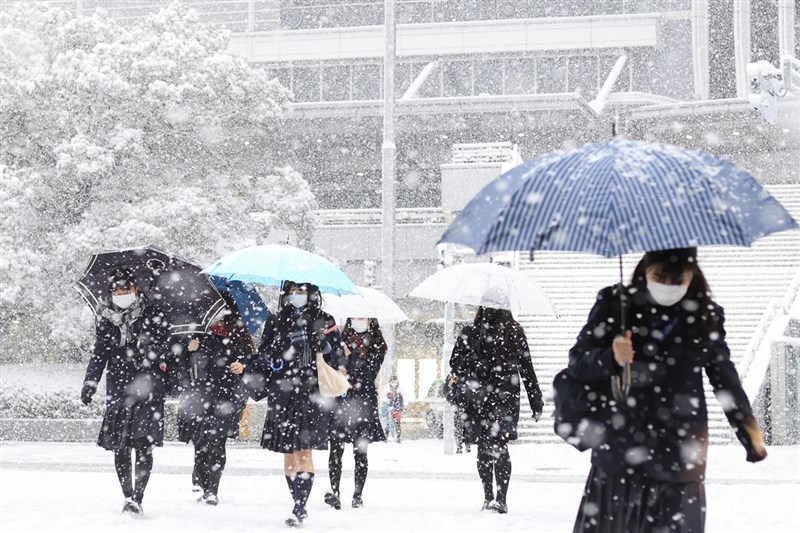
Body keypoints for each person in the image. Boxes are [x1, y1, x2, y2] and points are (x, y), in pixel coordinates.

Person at [567, 248, 767, 533]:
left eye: (678, 279)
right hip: (619, 451)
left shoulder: (706, 315)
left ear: (692, 274)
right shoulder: (615, 304)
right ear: (645, 268)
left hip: (680, 457)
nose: (669, 286)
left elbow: (725, 379)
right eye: (660, 276)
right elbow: (577, 363)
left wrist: (751, 435)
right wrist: (610, 356)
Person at [250, 280, 344, 528]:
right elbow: (264, 353)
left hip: (311, 393)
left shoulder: (325, 319)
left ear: (312, 293)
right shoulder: (276, 320)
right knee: (288, 454)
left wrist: (323, 346)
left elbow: (338, 356)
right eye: (292, 291)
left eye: (301, 291)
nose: (296, 295)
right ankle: (297, 502)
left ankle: (300, 507)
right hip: (283, 393)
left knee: (304, 449)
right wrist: (274, 357)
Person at [80, 268, 170, 515]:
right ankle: (127, 494)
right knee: (120, 445)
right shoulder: (106, 317)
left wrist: (148, 349)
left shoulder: (153, 312)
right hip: (119, 387)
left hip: (148, 387)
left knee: (143, 444)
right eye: (116, 290)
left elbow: (169, 347)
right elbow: (100, 352)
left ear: (136, 289)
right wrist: (90, 382)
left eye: (126, 290)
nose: (121, 294)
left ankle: (138, 498)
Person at [449, 305, 544, 514]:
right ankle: (492, 498)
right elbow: (455, 363)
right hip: (489, 398)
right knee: (490, 447)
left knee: (493, 447)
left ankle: (496, 498)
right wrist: (473, 358)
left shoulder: (513, 332)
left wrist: (535, 399)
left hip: (498, 399)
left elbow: (526, 367)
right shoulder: (473, 332)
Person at [173, 293, 254, 505]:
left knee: (217, 441)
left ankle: (212, 490)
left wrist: (243, 366)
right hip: (199, 395)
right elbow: (177, 360)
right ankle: (201, 477)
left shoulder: (237, 334)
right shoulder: (196, 332)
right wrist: (186, 349)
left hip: (228, 396)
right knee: (200, 441)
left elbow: (250, 360)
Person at [324, 317, 387, 510]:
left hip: (363, 402)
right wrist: (339, 358)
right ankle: (335, 492)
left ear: (370, 319)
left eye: (362, 316)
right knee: (336, 449)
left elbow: (369, 373)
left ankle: (357, 495)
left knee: (360, 451)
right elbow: (330, 368)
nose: (358, 320)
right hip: (341, 400)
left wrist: (351, 356)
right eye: (355, 316)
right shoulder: (340, 340)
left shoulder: (377, 343)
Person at [383, 375, 404, 442]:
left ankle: (398, 437)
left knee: (397, 422)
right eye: (392, 381)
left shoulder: (400, 387)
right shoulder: (387, 387)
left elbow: (404, 396)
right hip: (389, 406)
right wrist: (388, 399)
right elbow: (384, 396)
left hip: (397, 407)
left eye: (395, 381)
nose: (394, 382)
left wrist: (403, 406)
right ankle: (386, 436)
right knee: (389, 422)